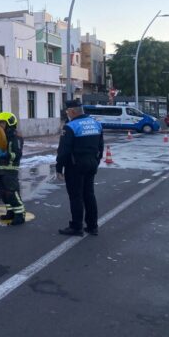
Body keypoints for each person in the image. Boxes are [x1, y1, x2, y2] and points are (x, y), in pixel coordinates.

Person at [55, 99, 104, 236]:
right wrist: (96, 161)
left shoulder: (71, 126)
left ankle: (76, 227)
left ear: (72, 111)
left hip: (75, 166)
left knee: (76, 196)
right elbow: (101, 146)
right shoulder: (96, 124)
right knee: (89, 194)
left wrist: (59, 168)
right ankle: (92, 226)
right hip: (91, 164)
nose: (67, 114)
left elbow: (63, 150)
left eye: (67, 112)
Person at [0, 111, 25, 225]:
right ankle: (10, 212)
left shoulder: (15, 137)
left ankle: (19, 214)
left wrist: (5, 154)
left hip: (10, 169)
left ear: (9, 123)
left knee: (11, 192)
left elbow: (17, 154)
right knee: (3, 193)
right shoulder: (0, 135)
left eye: (2, 123)